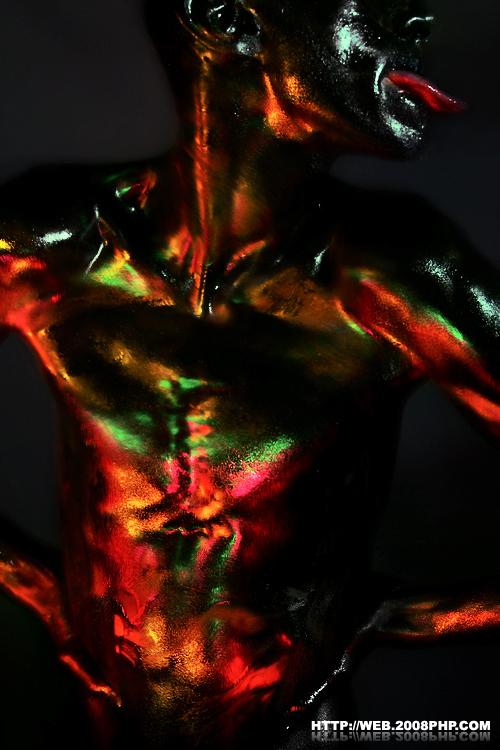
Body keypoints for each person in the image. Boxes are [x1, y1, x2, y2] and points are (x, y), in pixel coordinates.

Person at [0, 0, 499, 747]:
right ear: (227, 16)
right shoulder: (48, 247)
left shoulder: (390, 274)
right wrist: (40, 591)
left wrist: (408, 618)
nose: (419, 17)